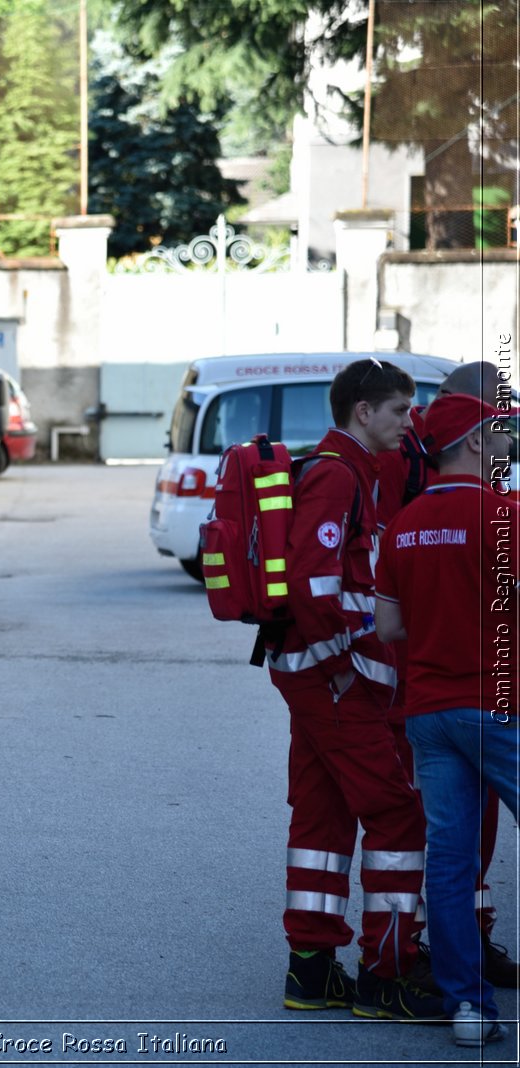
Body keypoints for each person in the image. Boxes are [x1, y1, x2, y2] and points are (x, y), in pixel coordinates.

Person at [270, 359, 438, 1019]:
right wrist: (342, 666)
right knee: (397, 814)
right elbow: (314, 582)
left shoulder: (347, 470)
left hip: (313, 676)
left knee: (323, 819)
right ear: (362, 411)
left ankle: (310, 974)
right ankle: (386, 976)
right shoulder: (339, 474)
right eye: (400, 410)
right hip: (332, 679)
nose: (409, 422)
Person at [376, 391, 516, 1047]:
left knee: (451, 865)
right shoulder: (504, 516)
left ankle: (469, 1009)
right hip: (499, 707)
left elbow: (390, 625)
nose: (510, 440)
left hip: (429, 713)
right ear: (475, 442)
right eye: (503, 430)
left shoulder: (403, 526)